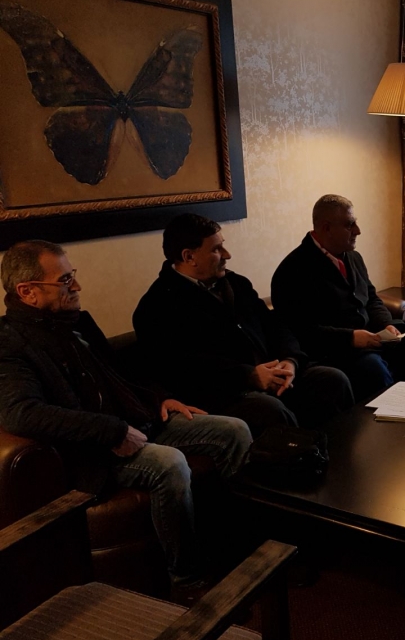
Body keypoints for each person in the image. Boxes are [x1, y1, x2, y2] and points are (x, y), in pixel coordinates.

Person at [0, 240, 253, 592]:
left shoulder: (77, 323)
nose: (77, 286)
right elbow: (22, 413)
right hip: (95, 451)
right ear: (27, 292)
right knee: (169, 464)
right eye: (65, 280)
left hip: (139, 422)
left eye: (73, 275)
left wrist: (161, 398)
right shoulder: (10, 345)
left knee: (234, 431)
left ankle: (243, 546)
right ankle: (186, 579)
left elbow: (123, 374)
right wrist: (113, 431)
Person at [133, 214, 353, 437]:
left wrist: (290, 360)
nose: (227, 255)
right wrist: (249, 375)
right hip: (226, 392)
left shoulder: (237, 284)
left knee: (333, 381)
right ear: (189, 256)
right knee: (270, 410)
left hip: (271, 375)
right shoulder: (157, 306)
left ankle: (341, 453)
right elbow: (183, 369)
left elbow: (276, 326)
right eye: (217, 249)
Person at [271, 194, 405, 402]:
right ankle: (393, 417)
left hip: (371, 336)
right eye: (350, 225)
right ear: (326, 228)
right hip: (335, 350)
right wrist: (351, 338)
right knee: (373, 368)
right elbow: (302, 331)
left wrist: (386, 325)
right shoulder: (293, 271)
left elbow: (372, 299)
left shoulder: (353, 257)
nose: (358, 230)